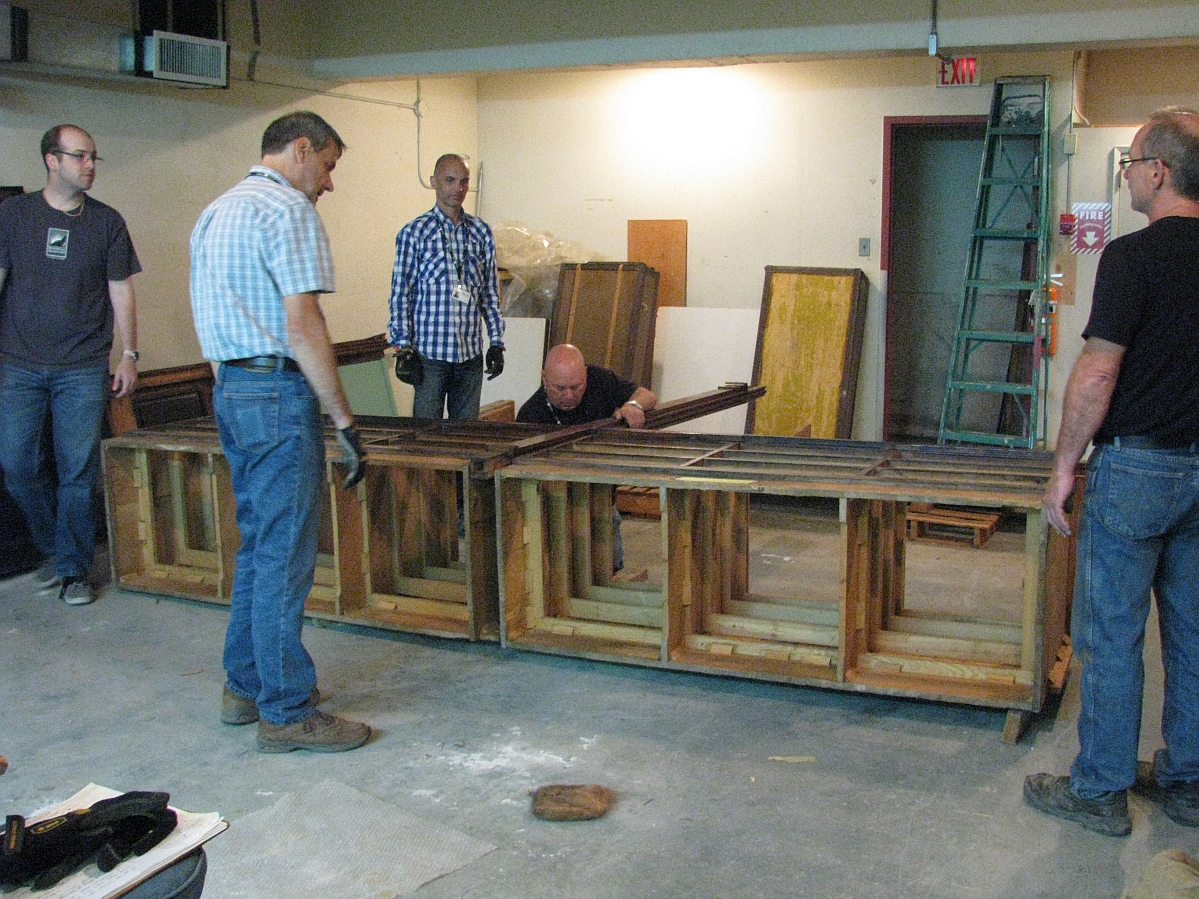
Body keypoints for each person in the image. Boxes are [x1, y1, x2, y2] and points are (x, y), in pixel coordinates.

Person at [1024, 107, 1199, 836]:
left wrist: (1062, 467)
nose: (1126, 176)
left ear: (1157, 171)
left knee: (1111, 634)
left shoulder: (1132, 258)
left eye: (1129, 164)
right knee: (1191, 632)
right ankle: (1187, 783)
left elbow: (1097, 372)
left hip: (1136, 469)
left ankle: (1099, 788)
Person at [189, 111, 370, 754]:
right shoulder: (287, 211)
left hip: (233, 389)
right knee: (285, 555)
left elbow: (213, 321)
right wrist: (343, 420)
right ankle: (287, 711)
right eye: (327, 166)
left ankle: (244, 687)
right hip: (276, 392)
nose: (328, 184)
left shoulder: (216, 212)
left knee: (258, 548)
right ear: (300, 150)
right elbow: (303, 324)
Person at [0, 124, 140, 606]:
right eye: (80, 156)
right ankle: (55, 549)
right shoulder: (13, 214)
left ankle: (74, 570)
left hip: (82, 366)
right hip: (19, 365)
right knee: (16, 463)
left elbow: (121, 289)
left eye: (94, 157)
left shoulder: (106, 222)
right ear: (51, 160)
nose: (90, 166)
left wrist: (129, 353)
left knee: (76, 470)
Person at [517, 343, 657, 571]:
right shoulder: (530, 415)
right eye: (560, 388)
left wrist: (633, 405)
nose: (569, 395)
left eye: (576, 386)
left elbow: (647, 396)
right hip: (554, 509)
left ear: (585, 374)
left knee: (610, 569)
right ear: (544, 378)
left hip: (601, 501)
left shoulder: (600, 380)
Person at [387, 153, 505, 421]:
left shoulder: (481, 232)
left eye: (464, 181)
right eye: (450, 180)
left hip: (470, 356)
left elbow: (489, 293)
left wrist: (496, 341)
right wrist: (403, 347)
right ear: (434, 182)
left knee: (465, 436)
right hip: (430, 356)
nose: (458, 188)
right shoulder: (414, 233)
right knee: (426, 436)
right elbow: (400, 294)